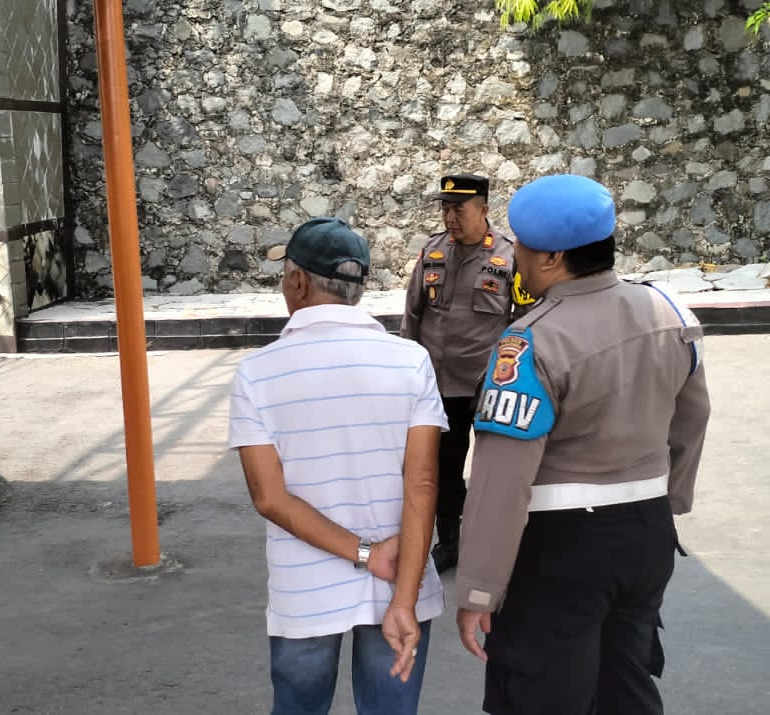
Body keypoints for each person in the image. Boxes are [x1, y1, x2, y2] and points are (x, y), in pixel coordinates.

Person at [452, 174, 712, 714]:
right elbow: (692, 417)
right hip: (647, 536)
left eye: (523, 246)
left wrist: (479, 589)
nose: (515, 256)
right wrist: (669, 500)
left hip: (560, 549)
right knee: (626, 685)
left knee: (541, 696)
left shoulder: (530, 343)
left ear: (552, 257)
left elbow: (501, 484)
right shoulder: (669, 311)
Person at [230, 217, 448, 715]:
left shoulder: (257, 372)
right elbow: (422, 483)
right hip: (402, 578)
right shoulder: (411, 361)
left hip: (305, 590)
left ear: (297, 281)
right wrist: (403, 596)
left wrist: (366, 554)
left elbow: (269, 497)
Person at [399, 173, 521, 573]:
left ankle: (495, 543)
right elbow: (413, 315)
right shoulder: (433, 251)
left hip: (489, 385)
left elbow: (525, 321)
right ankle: (450, 542)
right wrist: (409, 374)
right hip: (439, 386)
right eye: (446, 209)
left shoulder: (509, 256)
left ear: (483, 210)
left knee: (495, 470)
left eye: (459, 209)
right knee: (443, 470)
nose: (450, 217)